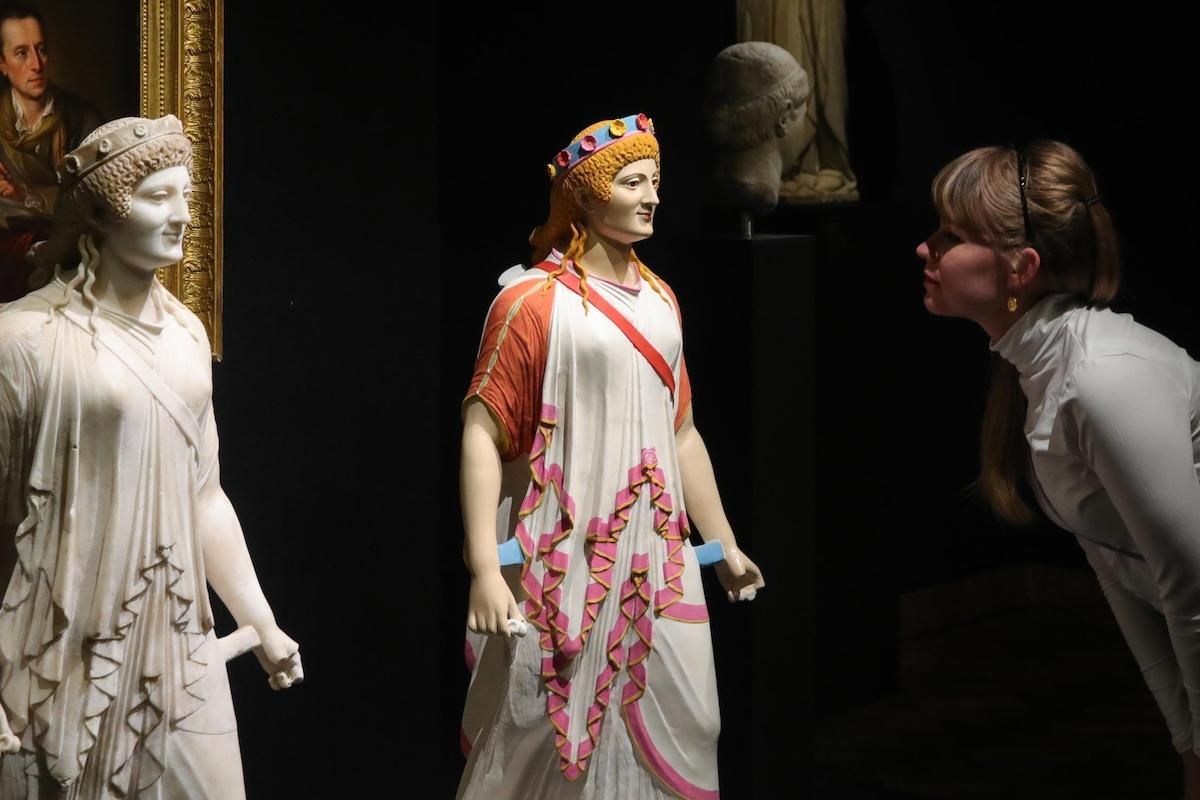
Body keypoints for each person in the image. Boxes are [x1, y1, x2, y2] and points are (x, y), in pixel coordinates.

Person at [458, 113, 765, 799]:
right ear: (587, 196)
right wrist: (484, 566)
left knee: (690, 722)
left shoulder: (661, 299)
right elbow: (481, 431)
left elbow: (682, 432)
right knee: (539, 735)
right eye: (632, 183)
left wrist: (723, 542)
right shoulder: (529, 302)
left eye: (655, 181)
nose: (652, 196)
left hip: (657, 557)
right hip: (562, 558)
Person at [0, 115, 301, 799]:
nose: (182, 216)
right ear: (101, 212)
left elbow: (205, 496)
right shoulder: (25, 341)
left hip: (177, 629)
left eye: (185, 195)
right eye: (157, 197)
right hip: (62, 639)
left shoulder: (186, 334)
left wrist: (259, 619)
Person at [916, 140, 1200, 797]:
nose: (925, 249)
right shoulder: (1042, 371)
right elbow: (1116, 566)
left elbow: (1190, 585)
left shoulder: (1103, 378)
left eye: (951, 235)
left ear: (1021, 268)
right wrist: (1186, 740)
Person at [0, 3, 101, 301]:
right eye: (22, 53)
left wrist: (23, 197)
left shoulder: (82, 120)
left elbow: (95, 200)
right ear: (2, 64)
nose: (36, 64)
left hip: (70, 262)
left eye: (41, 50)